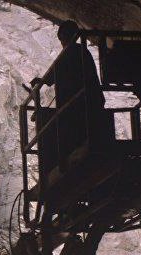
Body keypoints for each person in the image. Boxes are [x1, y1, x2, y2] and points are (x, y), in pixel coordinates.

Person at [34, 20, 107, 164]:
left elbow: (52, 76)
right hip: (92, 103)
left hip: (77, 108)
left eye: (61, 38)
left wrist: (40, 81)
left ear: (63, 37)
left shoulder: (70, 52)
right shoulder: (82, 51)